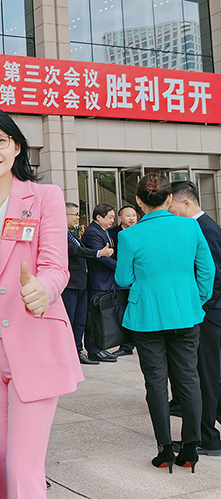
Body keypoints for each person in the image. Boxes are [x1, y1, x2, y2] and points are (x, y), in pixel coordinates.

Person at [0, 106, 83, 499]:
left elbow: (56, 266)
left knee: (24, 464)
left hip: (33, 342)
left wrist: (43, 288)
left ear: (16, 146)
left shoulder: (44, 197)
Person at [115, 173, 213, 473]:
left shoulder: (129, 235)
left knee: (156, 382)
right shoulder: (190, 226)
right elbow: (207, 271)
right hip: (186, 313)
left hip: (147, 316)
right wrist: (195, 299)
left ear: (138, 201)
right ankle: (191, 448)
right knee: (189, 380)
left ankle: (165, 450)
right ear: (169, 198)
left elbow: (123, 278)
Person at [169, 180, 221, 457]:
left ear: (186, 202)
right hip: (210, 312)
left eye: (172, 208)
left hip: (209, 314)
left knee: (205, 377)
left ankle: (206, 438)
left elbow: (215, 276)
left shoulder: (204, 228)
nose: (171, 214)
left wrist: (200, 306)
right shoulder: (203, 226)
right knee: (209, 375)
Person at [62, 202, 114, 365]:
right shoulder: (58, 233)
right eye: (75, 214)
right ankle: (69, 352)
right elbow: (74, 251)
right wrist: (99, 253)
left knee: (81, 319)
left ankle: (78, 351)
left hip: (81, 282)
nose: (78, 218)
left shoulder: (71, 233)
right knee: (71, 319)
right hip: (71, 284)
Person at [81, 203, 118, 362]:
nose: (112, 220)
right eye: (110, 217)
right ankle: (94, 350)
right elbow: (101, 257)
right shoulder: (93, 232)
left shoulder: (103, 230)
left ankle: (101, 348)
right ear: (99, 217)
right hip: (97, 280)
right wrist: (119, 267)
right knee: (94, 317)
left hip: (105, 280)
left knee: (101, 317)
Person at [108, 205, 140, 356]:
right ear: (120, 217)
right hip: (121, 278)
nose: (132, 218)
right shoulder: (112, 233)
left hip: (140, 278)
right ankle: (126, 346)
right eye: (128, 215)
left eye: (134, 215)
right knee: (123, 312)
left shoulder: (142, 230)